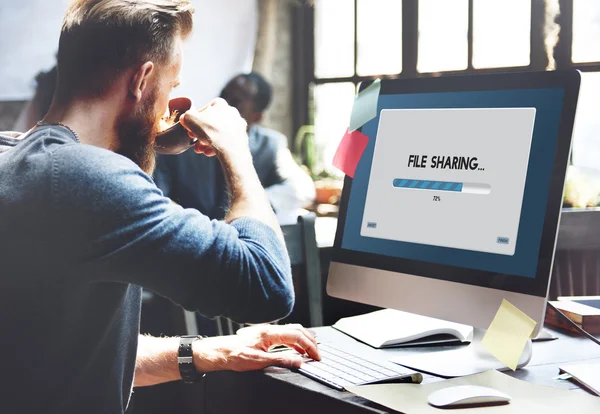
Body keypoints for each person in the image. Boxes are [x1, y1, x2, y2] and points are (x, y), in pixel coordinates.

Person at [0, 1, 319, 413]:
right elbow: (267, 286)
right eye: (171, 87)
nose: (169, 105)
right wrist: (237, 151)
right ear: (142, 79)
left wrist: (213, 351)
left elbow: (65, 354)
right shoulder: (86, 178)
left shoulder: (16, 156)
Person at [154, 72, 316, 222]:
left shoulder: (270, 145)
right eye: (223, 95)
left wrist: (251, 205)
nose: (223, 104)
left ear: (257, 116)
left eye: (236, 101)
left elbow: (302, 188)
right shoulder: (182, 142)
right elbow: (156, 197)